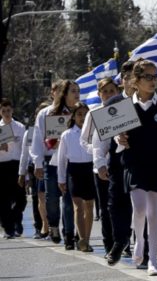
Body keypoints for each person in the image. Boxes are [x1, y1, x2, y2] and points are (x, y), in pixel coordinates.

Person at [117, 60, 157, 276]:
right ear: (135, 81)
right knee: (140, 208)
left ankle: (153, 260)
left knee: (154, 213)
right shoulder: (125, 108)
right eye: (148, 77)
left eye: (155, 77)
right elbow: (116, 140)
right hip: (134, 163)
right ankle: (138, 241)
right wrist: (120, 139)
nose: (153, 81)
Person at [92, 61, 138, 266]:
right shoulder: (113, 104)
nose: (131, 81)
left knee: (142, 205)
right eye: (127, 77)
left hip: (142, 163)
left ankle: (142, 248)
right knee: (116, 205)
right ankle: (120, 239)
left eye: (135, 76)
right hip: (118, 163)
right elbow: (100, 139)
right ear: (123, 81)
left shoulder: (147, 102)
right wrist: (100, 162)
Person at [31, 79, 79, 249]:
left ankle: (69, 235)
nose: (77, 94)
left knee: (69, 199)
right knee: (52, 199)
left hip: (71, 161)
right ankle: (53, 226)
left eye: (77, 91)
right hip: (51, 161)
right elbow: (37, 138)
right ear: (64, 94)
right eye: (73, 91)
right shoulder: (46, 113)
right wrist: (37, 162)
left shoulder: (79, 112)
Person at [79, 77, 120, 256]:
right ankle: (108, 243)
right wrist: (98, 153)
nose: (109, 94)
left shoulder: (125, 110)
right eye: (105, 91)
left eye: (112, 90)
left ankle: (122, 242)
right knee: (105, 207)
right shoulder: (93, 113)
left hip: (122, 164)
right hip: (101, 168)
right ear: (99, 94)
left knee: (123, 205)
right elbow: (84, 140)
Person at [57, 102, 95, 252]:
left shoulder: (94, 132)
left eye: (85, 114)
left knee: (89, 206)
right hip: (74, 170)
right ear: (73, 116)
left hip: (90, 169)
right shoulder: (67, 134)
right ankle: (82, 239)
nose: (83, 117)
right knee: (78, 207)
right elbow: (61, 159)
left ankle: (87, 237)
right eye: (79, 114)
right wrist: (61, 179)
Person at [19, 103, 50, 240]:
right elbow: (24, 154)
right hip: (35, 167)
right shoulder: (29, 132)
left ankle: (52, 225)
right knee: (38, 197)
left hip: (51, 164)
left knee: (51, 198)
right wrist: (22, 173)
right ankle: (40, 226)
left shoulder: (55, 129)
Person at [0, 99, 26, 239]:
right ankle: (8, 228)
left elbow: (24, 148)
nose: (6, 114)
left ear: (12, 111)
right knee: (3, 200)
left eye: (8, 110)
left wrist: (25, 168)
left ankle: (14, 220)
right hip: (2, 165)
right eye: (3, 111)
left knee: (21, 199)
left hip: (16, 165)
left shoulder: (20, 127)